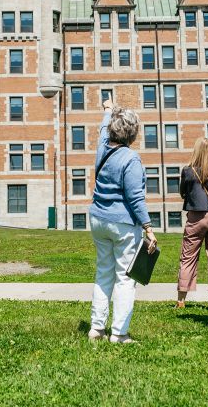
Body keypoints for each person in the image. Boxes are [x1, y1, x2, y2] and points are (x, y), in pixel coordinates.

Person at [89, 100, 157, 344]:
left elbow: (101, 128)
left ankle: (96, 328)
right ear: (133, 133)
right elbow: (135, 198)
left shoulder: (102, 147)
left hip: (98, 218)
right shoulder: (131, 159)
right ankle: (119, 333)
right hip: (123, 224)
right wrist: (148, 228)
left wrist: (107, 110)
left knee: (103, 273)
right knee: (125, 278)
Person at [176, 137, 208, 310]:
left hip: (195, 216)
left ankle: (181, 300)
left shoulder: (187, 171)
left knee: (188, 258)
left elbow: (183, 193)